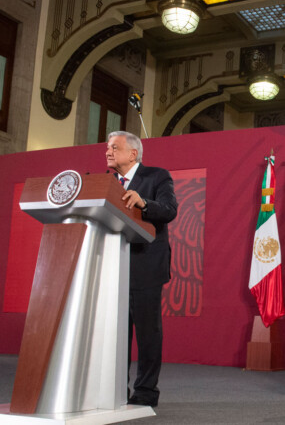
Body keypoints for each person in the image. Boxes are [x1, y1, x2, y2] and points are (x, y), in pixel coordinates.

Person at [105, 130, 178, 407]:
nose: (108, 152)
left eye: (114, 147)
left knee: (147, 332)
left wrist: (143, 202)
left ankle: (146, 390)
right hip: (112, 265)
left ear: (132, 153)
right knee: (114, 332)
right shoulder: (105, 182)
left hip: (145, 264)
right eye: (107, 148)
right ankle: (113, 389)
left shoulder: (157, 176)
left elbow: (169, 210)